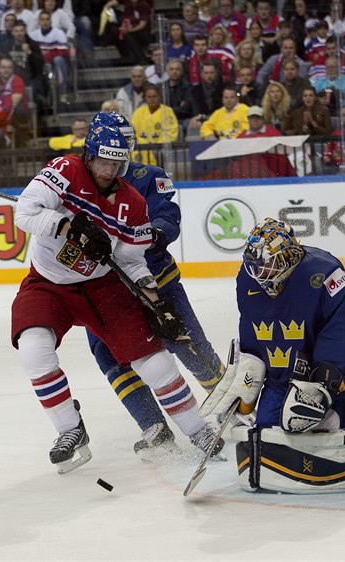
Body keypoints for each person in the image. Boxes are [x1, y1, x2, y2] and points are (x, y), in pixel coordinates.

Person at [11, 123, 224, 474]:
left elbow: (131, 260)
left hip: (103, 286)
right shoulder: (64, 170)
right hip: (48, 283)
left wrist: (153, 299)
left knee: (155, 360)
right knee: (34, 348)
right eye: (103, 162)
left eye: (116, 162)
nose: (109, 170)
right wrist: (70, 227)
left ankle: (198, 430)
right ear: (89, 156)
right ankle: (70, 430)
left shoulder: (133, 202)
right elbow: (25, 213)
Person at [85, 111, 225, 452]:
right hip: (104, 292)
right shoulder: (76, 185)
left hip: (156, 282)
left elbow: (168, 218)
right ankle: (153, 426)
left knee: (187, 342)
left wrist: (151, 233)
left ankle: (230, 403)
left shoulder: (148, 177)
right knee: (112, 357)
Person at [201, 216, 345, 436]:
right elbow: (251, 325)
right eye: (255, 265)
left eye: (267, 264)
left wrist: (324, 380)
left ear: (288, 258)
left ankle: (339, 418)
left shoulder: (325, 272)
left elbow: (344, 329)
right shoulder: (247, 279)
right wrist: (250, 366)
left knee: (320, 427)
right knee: (266, 434)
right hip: (283, 378)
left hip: (344, 375)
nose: (259, 272)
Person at [28, 10, 71, 103]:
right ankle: (42, 97)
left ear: (51, 21)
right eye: (42, 19)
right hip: (39, 64)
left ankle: (62, 93)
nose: (45, 22)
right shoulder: (33, 35)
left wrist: (46, 58)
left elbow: (62, 52)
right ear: (39, 22)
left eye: (47, 19)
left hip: (55, 64)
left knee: (58, 60)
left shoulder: (59, 33)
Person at [131, 84, 179, 164]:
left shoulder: (167, 111)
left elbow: (172, 132)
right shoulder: (138, 112)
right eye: (149, 97)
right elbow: (133, 132)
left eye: (154, 96)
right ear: (145, 98)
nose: (152, 99)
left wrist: (157, 145)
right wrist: (143, 143)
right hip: (142, 148)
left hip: (161, 149)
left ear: (159, 97)